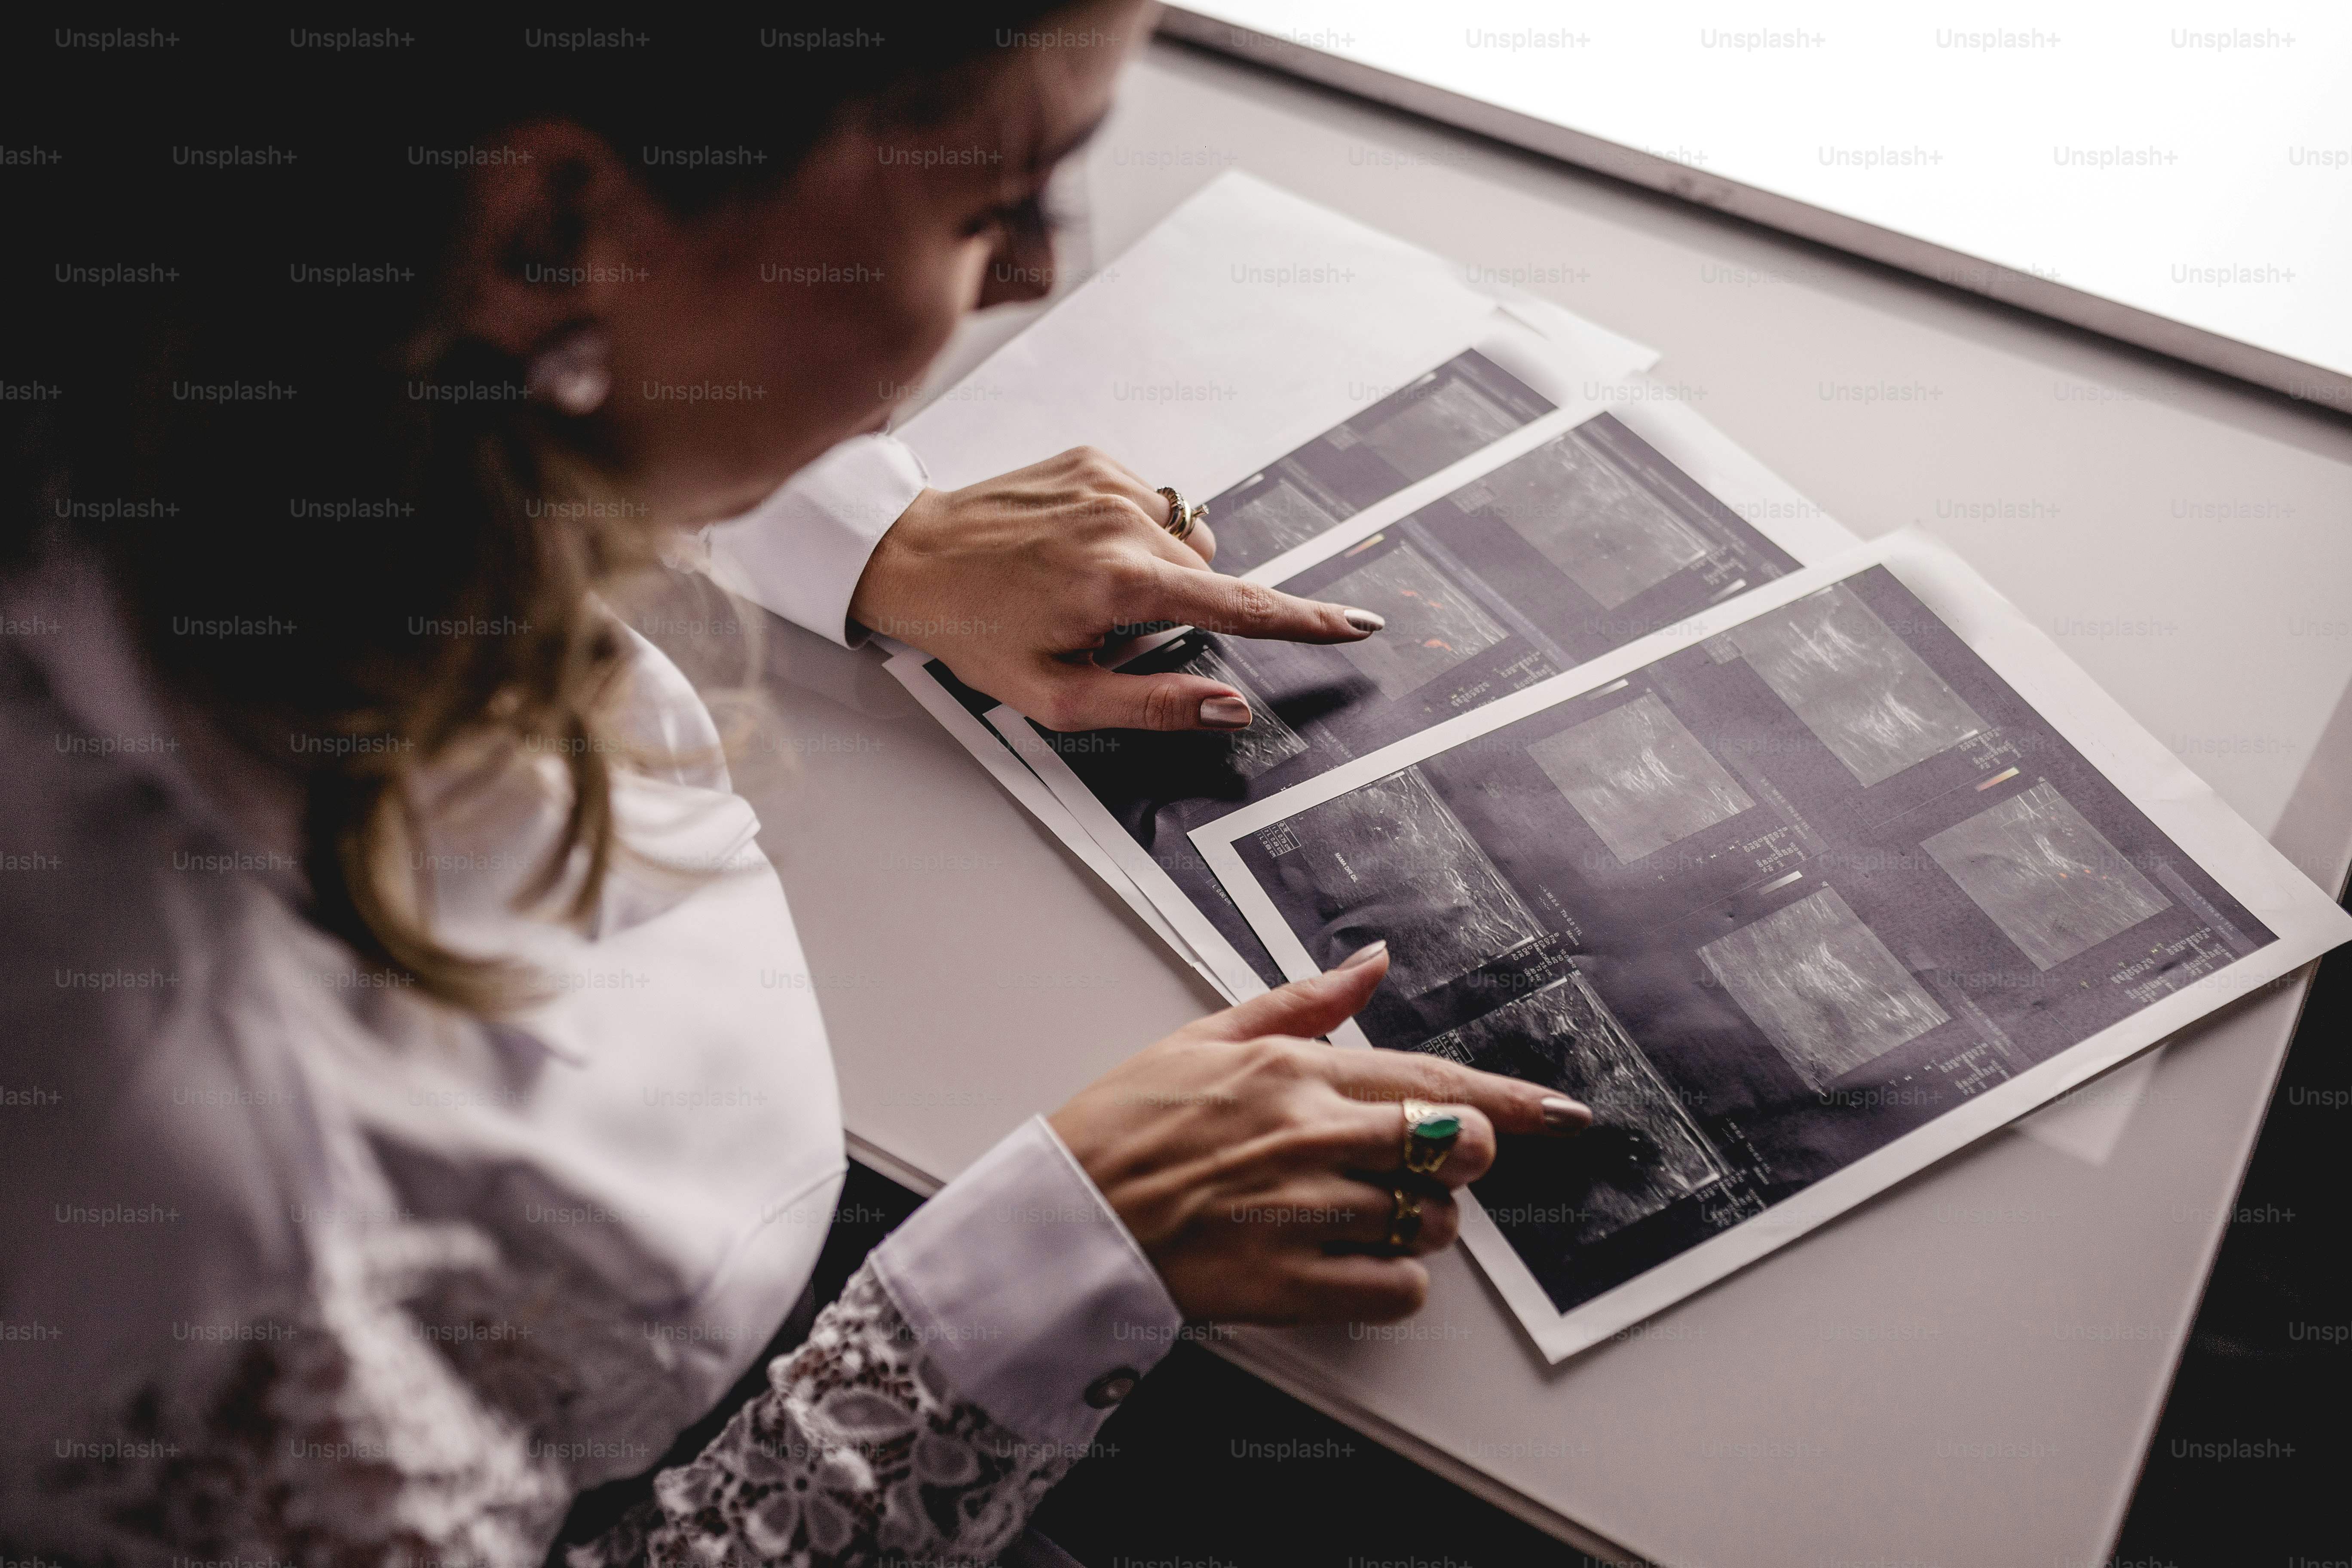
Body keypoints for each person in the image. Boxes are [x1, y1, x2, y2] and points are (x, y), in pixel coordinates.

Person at [0, 9, 1590, 1563]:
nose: (1032, 276)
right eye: (991, 203)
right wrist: (1039, 1274)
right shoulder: (191, 1178)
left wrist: (850, 522)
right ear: (552, 223)